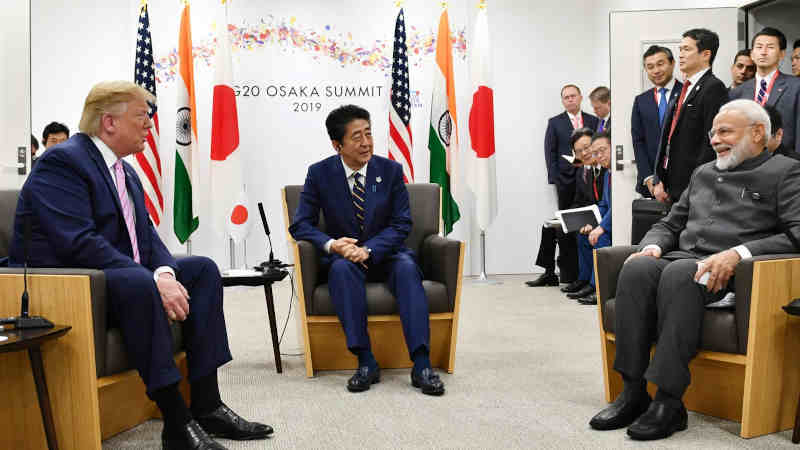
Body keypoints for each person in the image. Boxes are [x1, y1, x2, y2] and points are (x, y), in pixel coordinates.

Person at [9, 81, 272, 450]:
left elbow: (145, 239)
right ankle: (176, 421)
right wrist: (150, 278)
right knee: (137, 281)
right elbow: (78, 242)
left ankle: (208, 405)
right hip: (66, 285)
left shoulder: (125, 171)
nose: (150, 125)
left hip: (114, 276)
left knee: (202, 270)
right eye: (141, 118)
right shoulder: (62, 162)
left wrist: (163, 272)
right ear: (109, 123)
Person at [588, 99, 800, 441]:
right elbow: (670, 223)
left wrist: (737, 254)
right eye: (713, 132)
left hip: (736, 273)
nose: (715, 139)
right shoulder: (703, 172)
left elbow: (797, 233)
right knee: (637, 270)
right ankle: (632, 391)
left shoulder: (786, 171)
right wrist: (652, 246)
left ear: (758, 133)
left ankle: (669, 401)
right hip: (685, 260)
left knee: (679, 274)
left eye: (725, 131)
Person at [289, 104, 445, 396]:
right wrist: (333, 245)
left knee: (407, 268)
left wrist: (369, 249)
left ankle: (422, 364)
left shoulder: (389, 171)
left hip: (386, 254)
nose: (366, 143)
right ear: (338, 145)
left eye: (369, 134)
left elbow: (402, 224)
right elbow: (300, 225)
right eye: (356, 137)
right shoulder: (320, 174)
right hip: (345, 256)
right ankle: (365, 361)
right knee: (340, 270)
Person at [651, 28, 729, 204]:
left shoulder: (713, 88)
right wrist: (659, 177)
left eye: (687, 49)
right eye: (680, 49)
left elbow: (711, 142)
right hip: (671, 181)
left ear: (706, 54)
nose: (681, 55)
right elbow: (669, 136)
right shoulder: (684, 89)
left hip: (694, 184)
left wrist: (697, 182)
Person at [536, 85, 599, 288]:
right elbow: (550, 152)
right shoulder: (555, 123)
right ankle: (560, 272)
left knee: (573, 225)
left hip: (589, 179)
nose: (570, 100)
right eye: (566, 97)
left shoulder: (594, 120)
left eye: (573, 96)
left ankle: (576, 273)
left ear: (580, 97)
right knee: (561, 224)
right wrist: (555, 179)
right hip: (565, 181)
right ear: (562, 101)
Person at [731, 27, 800, 155]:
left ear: (782, 54)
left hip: (784, 163)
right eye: (759, 47)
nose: (763, 52)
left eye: (770, 47)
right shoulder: (737, 92)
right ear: (752, 54)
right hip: (745, 163)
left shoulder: (795, 86)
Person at [633, 46, 683, 198]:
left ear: (672, 63)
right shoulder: (641, 101)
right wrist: (648, 177)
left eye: (660, 64)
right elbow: (638, 141)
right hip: (651, 183)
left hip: (682, 179)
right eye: (650, 67)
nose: (656, 70)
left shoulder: (686, 93)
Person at [573, 131, 612, 306]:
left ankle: (599, 288)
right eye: (596, 153)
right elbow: (604, 204)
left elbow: (617, 207)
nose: (599, 156)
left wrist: (601, 227)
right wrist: (592, 223)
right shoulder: (609, 174)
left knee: (600, 237)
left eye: (602, 150)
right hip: (607, 220)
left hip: (618, 224)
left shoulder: (617, 174)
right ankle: (587, 282)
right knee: (583, 234)